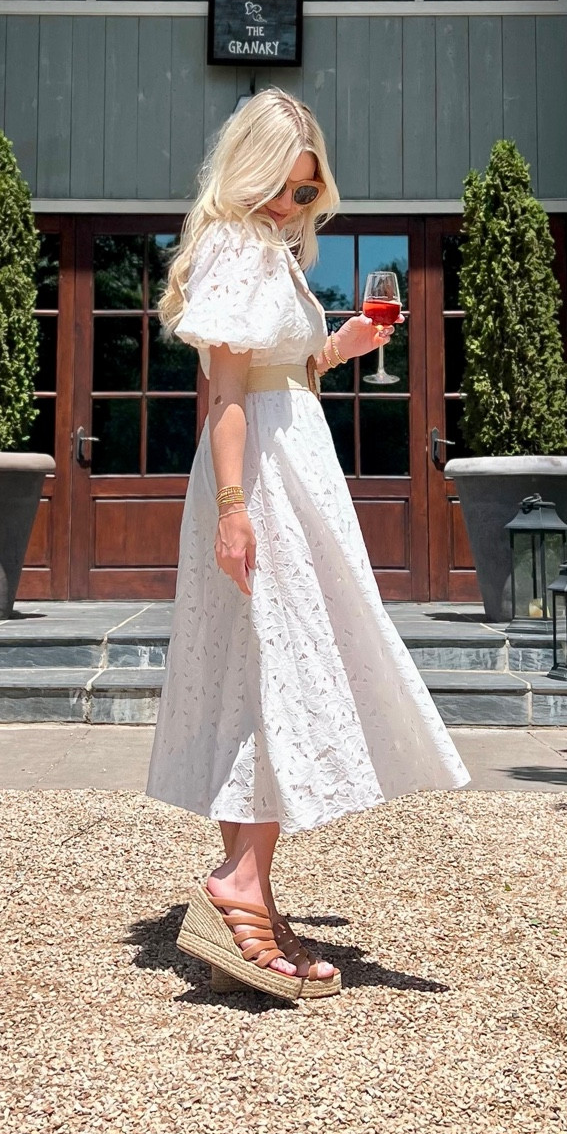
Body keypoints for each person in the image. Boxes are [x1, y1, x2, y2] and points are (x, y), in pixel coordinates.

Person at [147, 89, 470, 1002]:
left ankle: (247, 893)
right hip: (268, 480)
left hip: (290, 467)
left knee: (260, 674)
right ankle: (238, 887)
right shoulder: (240, 247)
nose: (292, 208)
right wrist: (238, 507)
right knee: (280, 673)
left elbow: (281, 371)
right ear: (250, 175)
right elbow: (229, 398)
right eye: (282, 189)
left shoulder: (266, 252)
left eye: (305, 192)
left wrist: (347, 344)